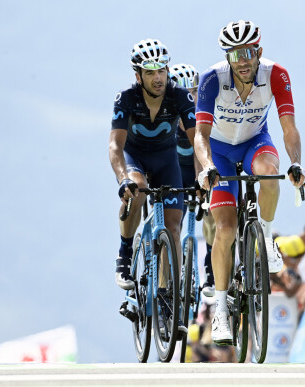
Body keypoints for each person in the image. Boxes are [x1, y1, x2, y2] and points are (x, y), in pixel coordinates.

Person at [194, 20, 305, 345]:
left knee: (270, 172)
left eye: (247, 52)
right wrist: (206, 166)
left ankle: (268, 239)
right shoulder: (211, 79)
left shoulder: (276, 74)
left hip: (255, 140)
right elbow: (200, 135)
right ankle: (220, 310)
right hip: (219, 150)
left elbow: (289, 127)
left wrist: (296, 162)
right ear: (227, 57)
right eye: (234, 54)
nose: (242, 60)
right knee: (226, 230)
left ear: (259, 50)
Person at [109, 39, 197, 335]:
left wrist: (204, 173)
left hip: (166, 161)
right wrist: (122, 178)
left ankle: (164, 297)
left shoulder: (180, 97)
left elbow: (198, 140)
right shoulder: (126, 99)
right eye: (150, 72)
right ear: (138, 76)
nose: (158, 77)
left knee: (173, 229)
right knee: (136, 188)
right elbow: (115, 146)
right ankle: (124, 252)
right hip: (135, 158)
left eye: (162, 70)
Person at [169, 63, 216, 296]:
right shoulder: (165, 116)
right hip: (173, 171)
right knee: (171, 220)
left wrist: (202, 183)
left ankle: (210, 270)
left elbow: (202, 154)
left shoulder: (203, 115)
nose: (191, 97)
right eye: (184, 93)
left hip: (196, 167)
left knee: (211, 210)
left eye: (195, 91)